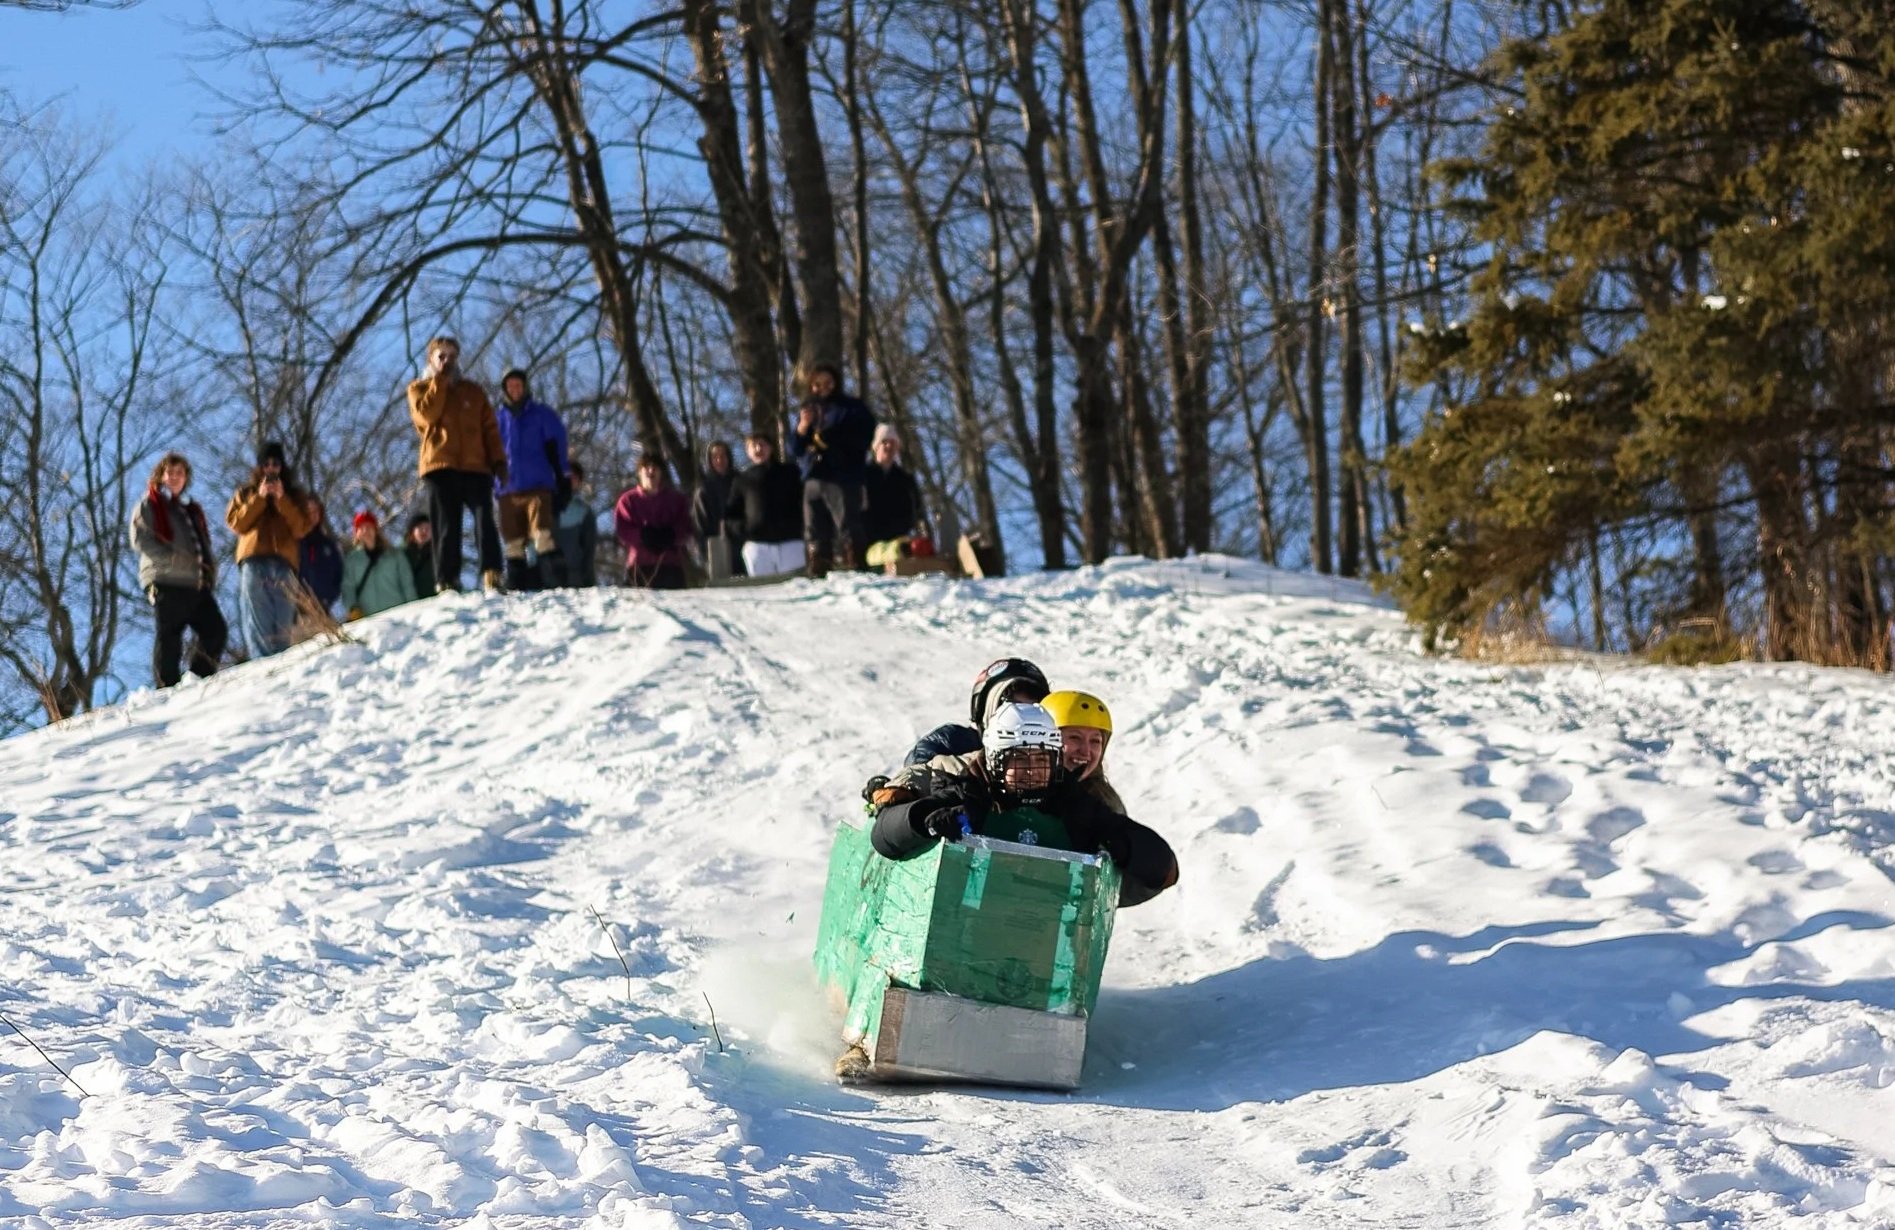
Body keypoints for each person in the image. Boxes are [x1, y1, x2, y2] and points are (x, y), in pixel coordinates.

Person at [869, 702, 1178, 908]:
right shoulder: (965, 792)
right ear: (994, 761)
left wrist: (1124, 845)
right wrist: (923, 821)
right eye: (1019, 760)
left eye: (1042, 760)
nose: (1032, 771)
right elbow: (883, 838)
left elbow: (1163, 872)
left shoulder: (1074, 806)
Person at [407, 335, 507, 592]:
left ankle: (492, 572)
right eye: (442, 356)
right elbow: (427, 415)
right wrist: (439, 381)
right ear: (431, 359)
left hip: (476, 466)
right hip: (440, 464)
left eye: (452, 356)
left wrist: (498, 460)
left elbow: (490, 428)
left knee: (485, 518)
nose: (447, 361)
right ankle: (447, 580)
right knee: (446, 525)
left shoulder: (473, 392)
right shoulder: (418, 388)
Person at [130, 451, 229, 688]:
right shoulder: (150, 503)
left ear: (186, 478)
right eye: (170, 472)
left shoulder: (189, 510)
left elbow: (202, 544)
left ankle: (197, 679)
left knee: (215, 631)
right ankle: (167, 689)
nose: (175, 477)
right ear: (161, 476)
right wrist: (171, 559)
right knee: (170, 637)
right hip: (166, 579)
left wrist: (209, 570)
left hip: (196, 582)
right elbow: (141, 539)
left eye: (180, 473)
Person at [226, 441, 315, 659]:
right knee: (257, 620)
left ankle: (283, 662)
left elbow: (301, 527)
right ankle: (261, 664)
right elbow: (236, 523)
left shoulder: (295, 495)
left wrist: (282, 499)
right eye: (266, 464)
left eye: (275, 463)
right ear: (259, 467)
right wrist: (260, 498)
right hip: (254, 560)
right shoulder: (246, 493)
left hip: (284, 563)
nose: (271, 469)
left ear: (282, 466)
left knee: (282, 622)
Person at [787, 364, 877, 576]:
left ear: (835, 383)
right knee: (814, 528)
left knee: (847, 523)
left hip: (842, 476)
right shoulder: (809, 410)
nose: (823, 388)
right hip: (813, 475)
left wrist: (835, 438)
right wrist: (802, 427)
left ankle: (856, 565)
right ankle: (819, 566)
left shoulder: (852, 408)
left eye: (828, 383)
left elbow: (864, 436)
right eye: (817, 384)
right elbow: (794, 448)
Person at [494, 367, 569, 592]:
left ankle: (555, 584)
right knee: (513, 542)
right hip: (508, 488)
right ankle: (517, 586)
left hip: (538, 485)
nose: (515, 389)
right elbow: (488, 451)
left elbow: (558, 445)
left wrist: (562, 475)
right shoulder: (497, 419)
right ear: (505, 390)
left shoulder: (542, 414)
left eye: (518, 385)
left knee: (542, 535)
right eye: (510, 386)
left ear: (525, 387)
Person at [904, 657, 1050, 766]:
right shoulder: (951, 745)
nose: (1023, 720)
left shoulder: (1053, 757)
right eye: (1011, 710)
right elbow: (918, 773)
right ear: (984, 712)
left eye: (1033, 712)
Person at [725, 433, 806, 578]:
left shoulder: (790, 473)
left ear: (771, 447)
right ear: (748, 452)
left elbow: (805, 502)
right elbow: (731, 515)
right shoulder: (741, 480)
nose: (758, 449)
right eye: (753, 446)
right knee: (765, 595)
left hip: (791, 544)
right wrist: (745, 529)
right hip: (758, 547)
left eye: (762, 444)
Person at [614, 454, 694, 589]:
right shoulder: (628, 500)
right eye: (646, 467)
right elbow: (623, 530)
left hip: (671, 565)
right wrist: (642, 535)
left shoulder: (676, 499)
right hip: (639, 566)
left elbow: (686, 528)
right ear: (640, 472)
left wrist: (671, 535)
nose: (651, 471)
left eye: (655, 468)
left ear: (661, 472)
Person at [1041, 690, 1125, 811]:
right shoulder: (1015, 795)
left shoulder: (1105, 804)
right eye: (1075, 737)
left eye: (1095, 741)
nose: (1085, 751)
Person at [340, 510, 420, 619]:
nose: (365, 531)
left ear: (376, 529)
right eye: (360, 528)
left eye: (368, 526)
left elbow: (407, 584)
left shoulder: (395, 555)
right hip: (371, 621)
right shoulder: (352, 561)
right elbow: (348, 589)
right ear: (356, 533)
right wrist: (352, 608)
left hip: (399, 615)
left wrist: (414, 608)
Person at [863, 425, 924, 557]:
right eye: (884, 442)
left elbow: (915, 507)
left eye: (892, 443)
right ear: (876, 446)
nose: (888, 446)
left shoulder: (905, 479)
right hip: (868, 540)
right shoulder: (863, 475)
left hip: (898, 540)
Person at [691, 440, 743, 580]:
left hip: (742, 544)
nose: (719, 460)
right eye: (715, 456)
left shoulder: (742, 481)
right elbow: (699, 524)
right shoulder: (704, 489)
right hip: (716, 547)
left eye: (723, 455)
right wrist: (704, 551)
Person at [551, 459, 600, 588]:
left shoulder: (584, 512)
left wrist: (588, 580)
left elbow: (589, 550)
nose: (569, 479)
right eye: (565, 475)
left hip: (575, 581)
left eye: (574, 477)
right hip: (545, 581)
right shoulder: (542, 508)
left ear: (579, 482)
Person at [297, 494, 345, 616]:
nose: (312, 516)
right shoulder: (294, 542)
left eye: (315, 511)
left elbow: (339, 575)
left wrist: (329, 597)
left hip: (324, 609)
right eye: (308, 512)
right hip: (299, 610)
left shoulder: (328, 545)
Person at [404, 512, 438, 598]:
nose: (424, 531)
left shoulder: (438, 554)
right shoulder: (402, 555)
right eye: (420, 527)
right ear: (412, 531)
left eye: (427, 528)